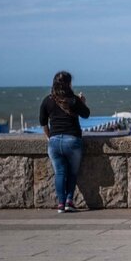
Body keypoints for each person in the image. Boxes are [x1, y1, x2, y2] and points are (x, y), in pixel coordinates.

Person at [40, 71, 90, 213]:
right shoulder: (73, 100)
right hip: (72, 140)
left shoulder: (47, 100)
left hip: (54, 141)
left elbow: (43, 122)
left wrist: (50, 136)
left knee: (60, 173)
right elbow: (86, 114)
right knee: (72, 173)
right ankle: (69, 201)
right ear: (68, 84)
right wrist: (82, 102)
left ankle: (61, 204)